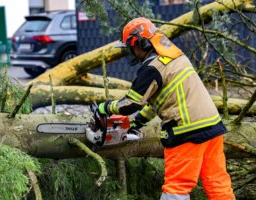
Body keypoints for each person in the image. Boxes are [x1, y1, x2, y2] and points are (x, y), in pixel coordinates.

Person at [96, 17, 235, 200]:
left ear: (141, 43)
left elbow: (131, 104)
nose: (132, 52)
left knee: (176, 188)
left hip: (187, 131)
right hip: (212, 127)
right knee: (217, 182)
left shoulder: (152, 68)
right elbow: (162, 99)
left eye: (132, 47)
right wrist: (139, 121)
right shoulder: (174, 56)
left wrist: (105, 107)